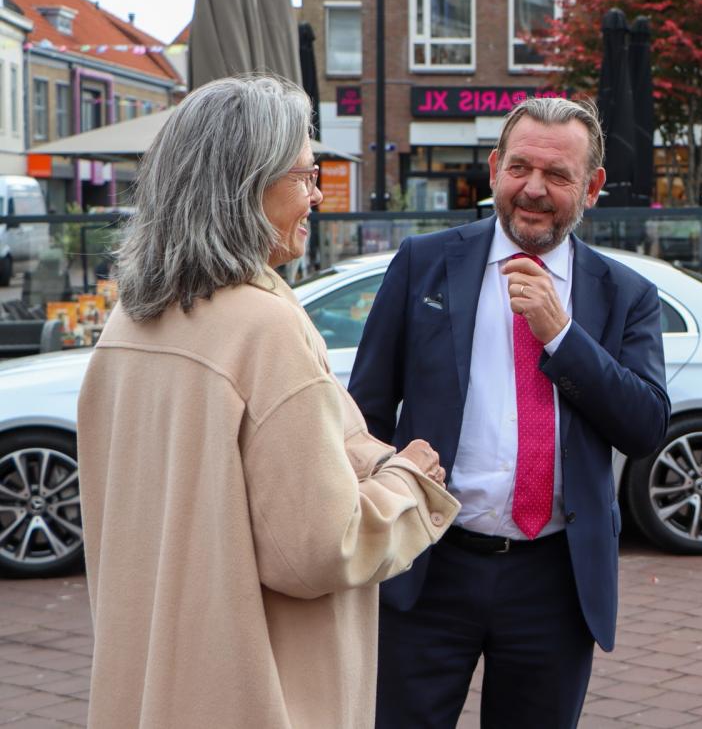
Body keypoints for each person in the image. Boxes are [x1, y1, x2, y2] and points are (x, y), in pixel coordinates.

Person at [77, 75, 459, 729]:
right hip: (259, 693)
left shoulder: (132, 321)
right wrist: (407, 486)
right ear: (248, 185)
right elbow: (319, 547)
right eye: (306, 176)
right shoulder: (266, 327)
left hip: (151, 684)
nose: (316, 196)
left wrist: (358, 457)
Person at [347, 96, 670, 729]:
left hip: (554, 579)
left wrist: (563, 337)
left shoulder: (624, 295)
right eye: (521, 167)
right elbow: (365, 410)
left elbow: (645, 426)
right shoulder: (424, 264)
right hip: (427, 561)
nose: (535, 189)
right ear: (495, 168)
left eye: (558, 175)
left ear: (593, 186)